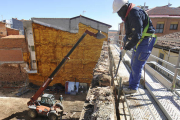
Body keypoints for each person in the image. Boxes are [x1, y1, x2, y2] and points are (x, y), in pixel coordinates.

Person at [112, 0, 157, 94]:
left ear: (124, 7)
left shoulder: (134, 13)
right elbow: (130, 31)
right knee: (133, 62)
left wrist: (126, 48)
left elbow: (137, 35)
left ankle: (133, 88)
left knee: (137, 65)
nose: (119, 15)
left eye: (119, 12)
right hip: (141, 41)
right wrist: (126, 37)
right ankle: (131, 82)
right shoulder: (128, 14)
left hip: (145, 41)